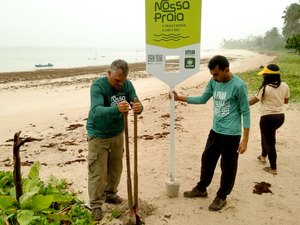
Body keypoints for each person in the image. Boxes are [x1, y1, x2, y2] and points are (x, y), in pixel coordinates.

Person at [172, 55, 250, 211]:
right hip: (215, 131)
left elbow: (246, 112)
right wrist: (179, 98)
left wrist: (245, 140)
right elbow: (202, 99)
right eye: (212, 75)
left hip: (232, 135)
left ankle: (222, 196)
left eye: (216, 74)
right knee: (207, 160)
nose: (214, 78)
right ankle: (201, 188)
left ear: (226, 70)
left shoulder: (239, 86)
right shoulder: (214, 82)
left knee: (228, 167)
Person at [86, 59, 143, 221]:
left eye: (122, 81)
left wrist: (138, 107)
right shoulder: (98, 86)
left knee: (115, 168)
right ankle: (96, 204)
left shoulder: (127, 85)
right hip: (98, 133)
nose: (120, 84)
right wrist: (116, 109)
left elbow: (136, 101)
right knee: (98, 170)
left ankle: (111, 194)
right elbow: (96, 110)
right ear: (108, 73)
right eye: (117, 80)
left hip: (117, 133)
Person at [249, 64, 290, 175]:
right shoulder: (285, 86)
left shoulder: (265, 87)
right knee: (266, 136)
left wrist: (242, 104)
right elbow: (286, 101)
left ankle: (273, 168)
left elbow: (253, 101)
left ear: (267, 76)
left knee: (270, 142)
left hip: (267, 118)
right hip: (280, 117)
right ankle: (263, 156)